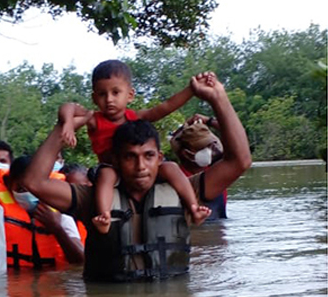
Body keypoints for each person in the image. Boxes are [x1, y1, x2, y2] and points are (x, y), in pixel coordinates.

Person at [22, 72, 252, 282]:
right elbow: (34, 182)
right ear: (116, 160)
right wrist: (65, 127)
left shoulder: (182, 191)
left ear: (159, 158)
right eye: (130, 157)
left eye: (148, 156)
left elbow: (240, 161)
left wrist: (218, 98)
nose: (140, 166)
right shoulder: (92, 198)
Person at [58, 59, 212, 233]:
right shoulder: (94, 119)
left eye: (116, 92)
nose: (109, 99)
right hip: (112, 169)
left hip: (139, 170)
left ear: (130, 95)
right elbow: (68, 107)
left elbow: (165, 107)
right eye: (102, 94)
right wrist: (68, 124)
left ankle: (194, 207)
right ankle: (104, 216)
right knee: (106, 175)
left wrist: (191, 90)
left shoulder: (135, 117)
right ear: (94, 98)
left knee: (171, 167)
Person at [0, 155, 85, 268]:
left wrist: (57, 229)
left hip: (51, 283)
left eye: (35, 188)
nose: (31, 194)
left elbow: (80, 261)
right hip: (11, 282)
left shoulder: (61, 217)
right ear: (8, 183)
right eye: (22, 188)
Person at [170, 114, 228, 219]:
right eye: (204, 147)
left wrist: (209, 121)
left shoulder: (217, 170)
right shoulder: (176, 177)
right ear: (187, 154)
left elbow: (236, 136)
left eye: (211, 145)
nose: (211, 150)